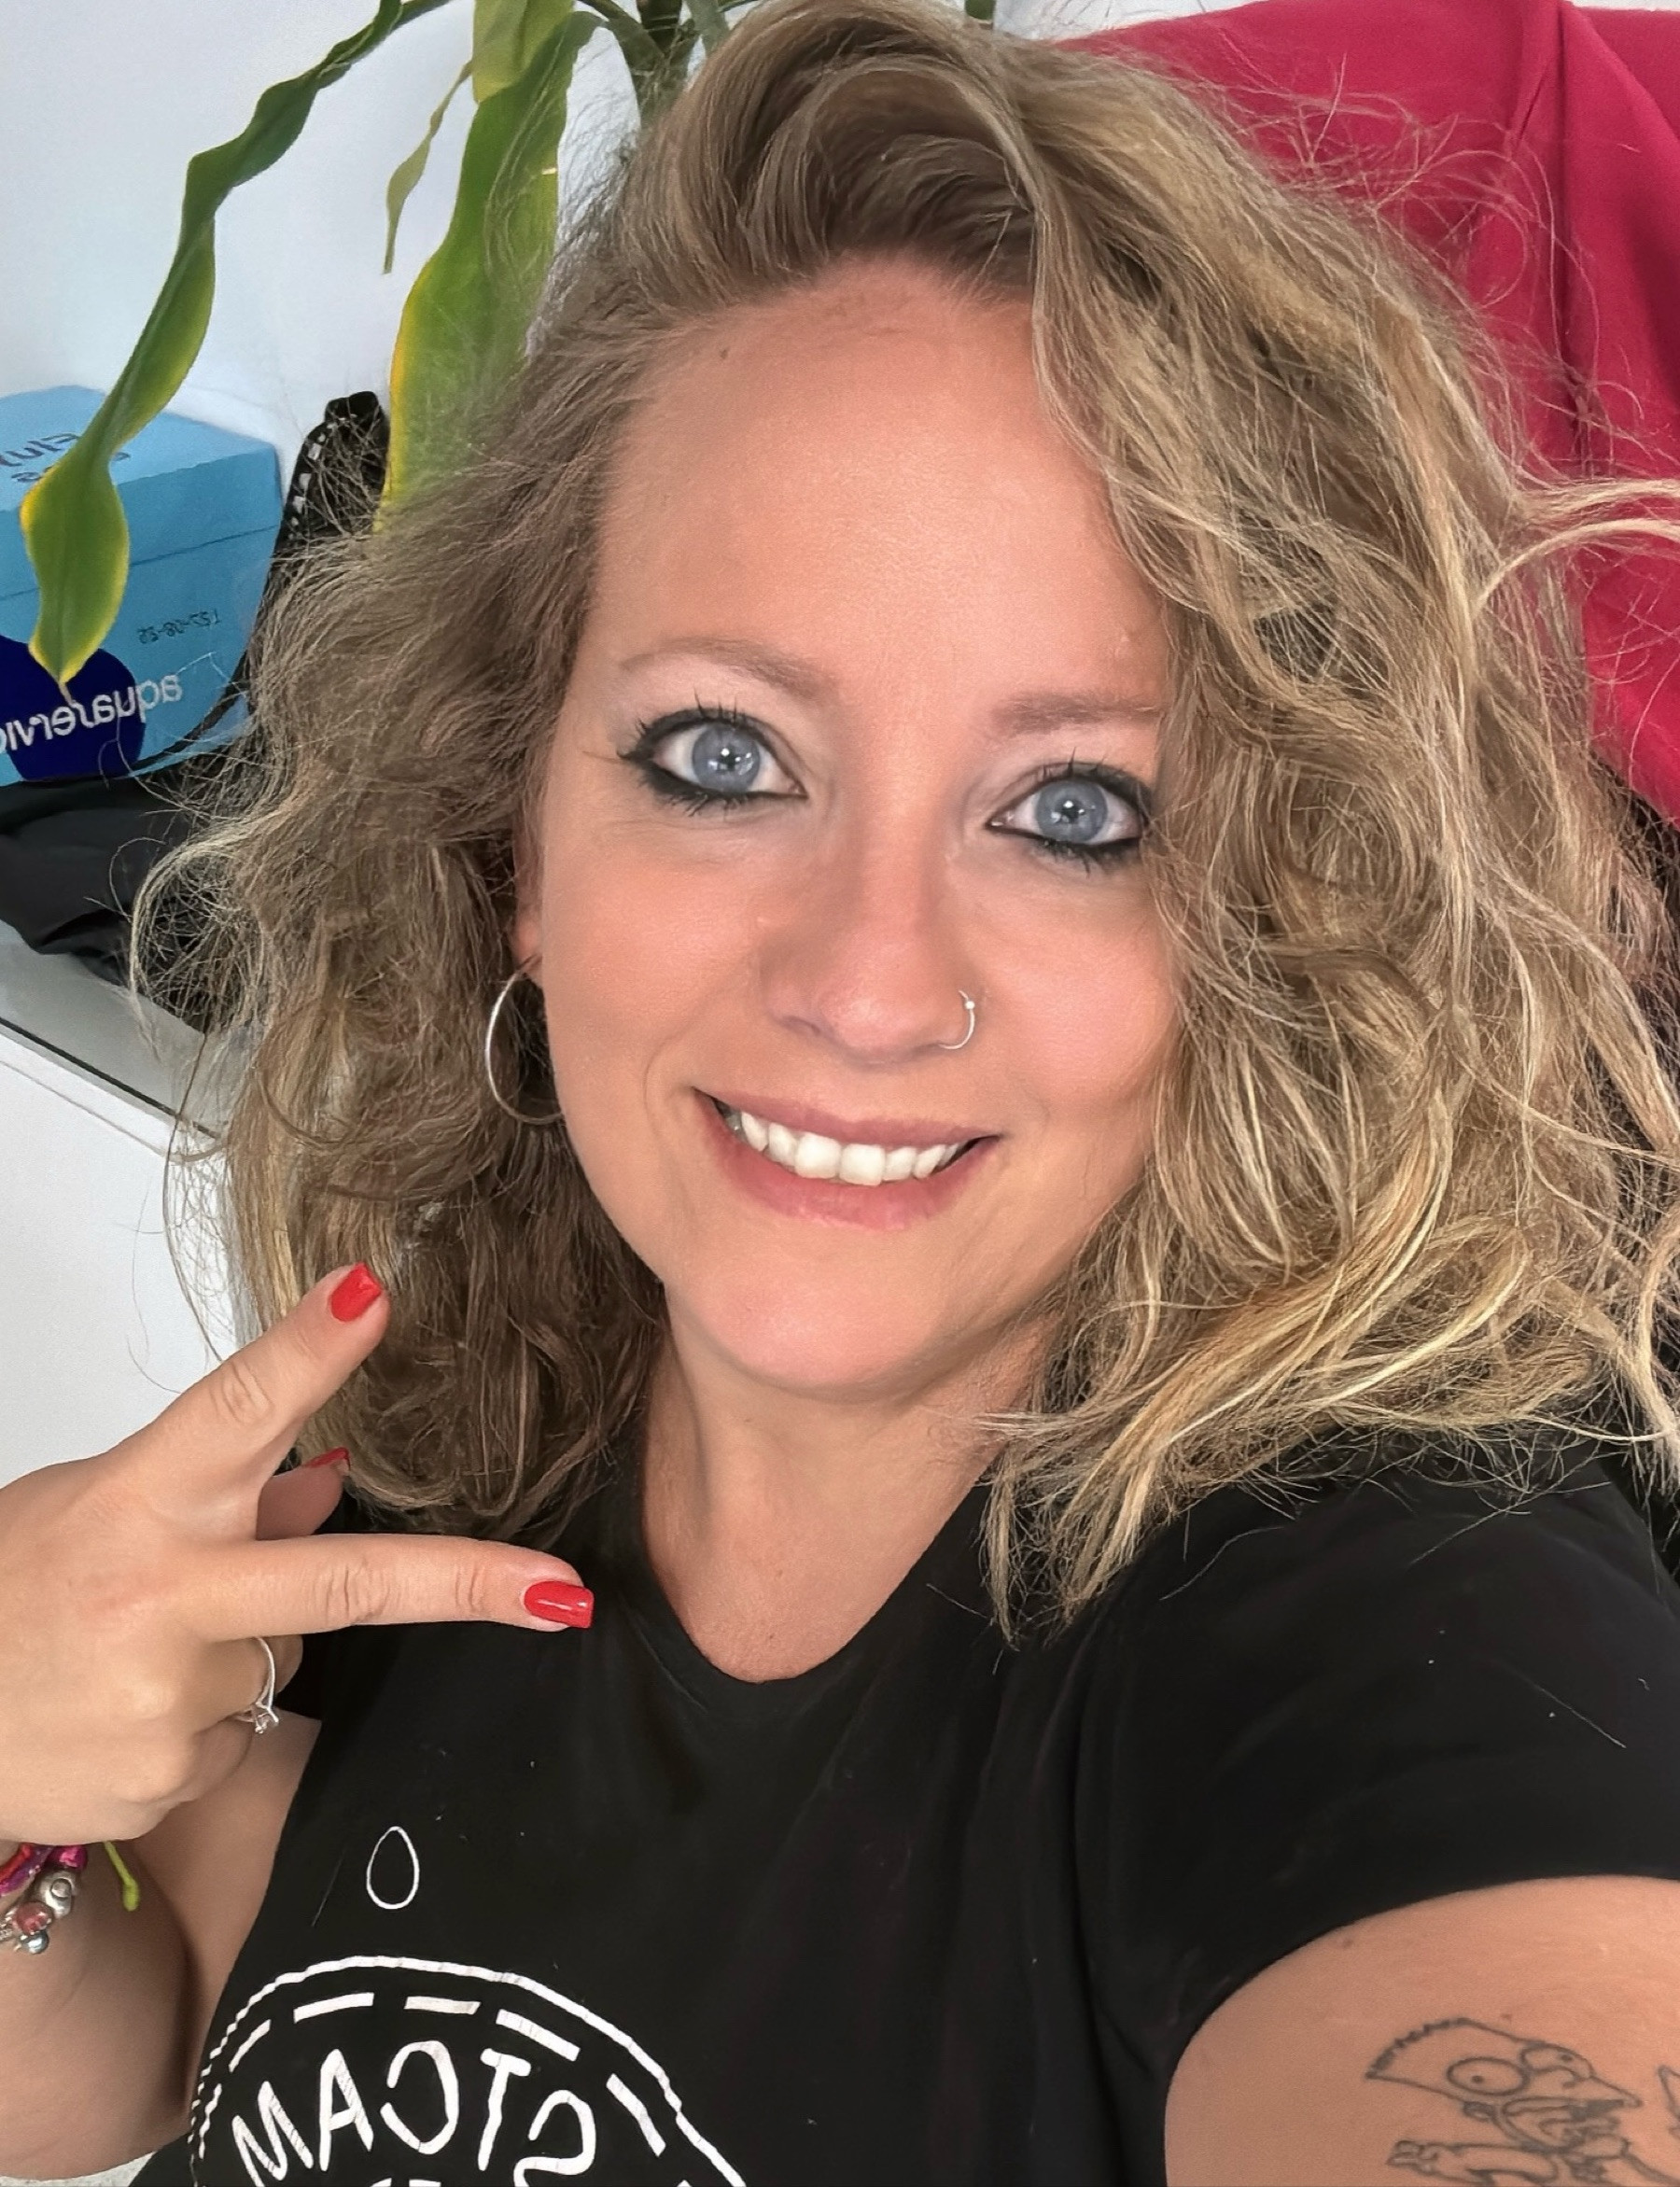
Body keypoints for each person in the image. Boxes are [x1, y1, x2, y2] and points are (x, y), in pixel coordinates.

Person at [5, 0, 1680, 2180]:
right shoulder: (480, 1405)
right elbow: (160, 2033)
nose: (870, 984)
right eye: (724, 757)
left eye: (1077, 809)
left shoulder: (1386, 1619)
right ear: (518, 837)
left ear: (1272, 912)